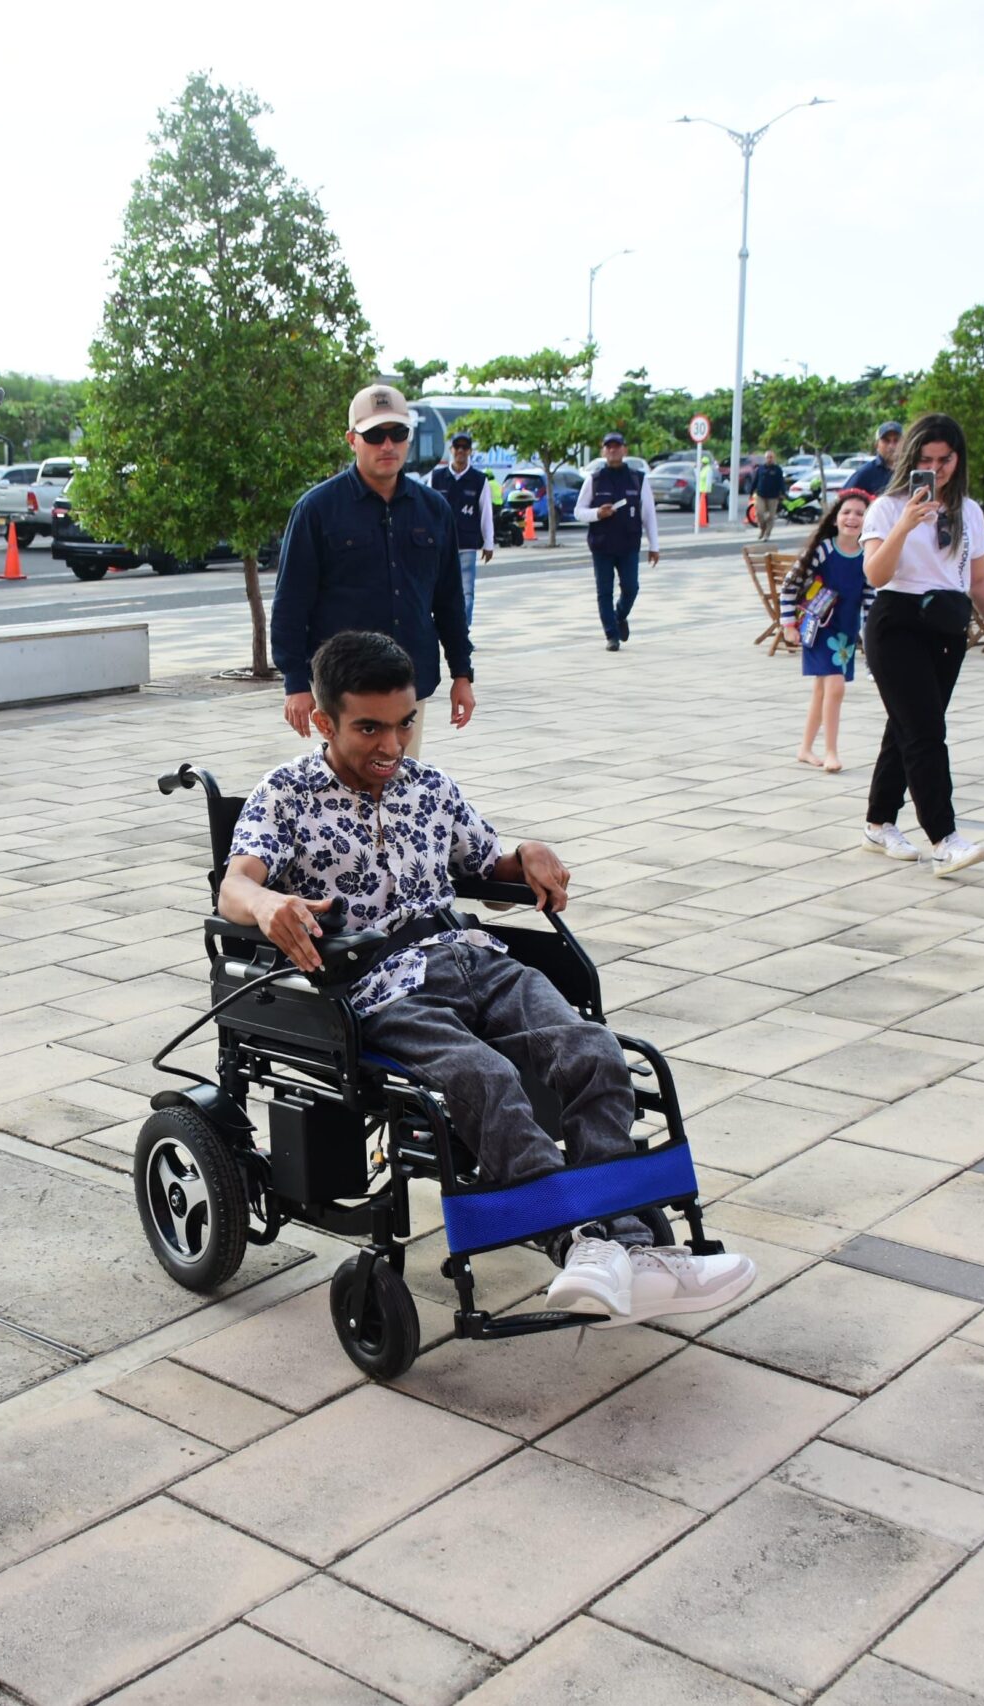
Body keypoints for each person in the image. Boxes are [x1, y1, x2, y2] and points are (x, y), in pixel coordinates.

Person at [223, 631, 756, 1325]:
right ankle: (584, 1244)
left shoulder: (429, 786)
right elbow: (235, 885)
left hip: (475, 956)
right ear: (323, 721)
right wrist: (266, 904)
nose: (392, 745)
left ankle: (627, 1246)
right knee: (486, 1079)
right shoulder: (286, 793)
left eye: (405, 722)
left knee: (594, 1051)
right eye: (369, 728)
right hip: (380, 984)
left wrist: (526, 854)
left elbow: (489, 866)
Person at [856, 414, 984, 876]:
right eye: (926, 459)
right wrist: (905, 525)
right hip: (897, 623)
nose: (937, 467)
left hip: (947, 625)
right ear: (912, 460)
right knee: (926, 731)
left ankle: (878, 822)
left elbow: (980, 579)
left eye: (944, 459)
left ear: (957, 458)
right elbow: (875, 574)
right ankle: (944, 838)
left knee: (908, 725)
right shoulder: (888, 508)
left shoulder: (969, 511)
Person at [272, 384, 475, 758]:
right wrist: (294, 683)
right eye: (375, 435)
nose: (388, 445)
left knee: (402, 789)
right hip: (343, 688)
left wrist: (462, 673)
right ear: (352, 439)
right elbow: (291, 603)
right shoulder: (317, 510)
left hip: (409, 685)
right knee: (348, 791)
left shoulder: (433, 510)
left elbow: (448, 601)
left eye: (398, 434)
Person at [780, 490, 873, 771]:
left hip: (845, 633)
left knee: (822, 691)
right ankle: (831, 751)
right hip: (818, 627)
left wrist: (872, 642)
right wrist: (787, 625)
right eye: (846, 512)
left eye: (860, 513)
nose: (852, 518)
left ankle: (805, 748)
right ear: (835, 518)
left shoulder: (869, 554)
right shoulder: (823, 550)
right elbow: (790, 585)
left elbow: (871, 600)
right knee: (835, 687)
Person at [573, 432, 658, 651]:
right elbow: (579, 511)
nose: (613, 450)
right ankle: (611, 635)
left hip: (629, 544)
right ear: (603, 451)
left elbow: (648, 514)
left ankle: (619, 616)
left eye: (617, 446)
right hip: (602, 545)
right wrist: (597, 514)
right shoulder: (595, 479)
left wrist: (654, 546)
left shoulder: (638, 479)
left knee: (631, 588)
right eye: (608, 447)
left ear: (624, 450)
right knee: (604, 591)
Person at [426, 431, 497, 623]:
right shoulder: (437, 477)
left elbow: (486, 514)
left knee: (466, 592)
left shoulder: (479, 480)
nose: (460, 451)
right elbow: (427, 511)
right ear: (451, 450)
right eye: (457, 447)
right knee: (437, 590)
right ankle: (440, 630)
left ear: (470, 452)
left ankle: (462, 633)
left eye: (465, 448)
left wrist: (488, 543)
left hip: (466, 543)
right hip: (440, 544)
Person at [844, 422, 902, 497]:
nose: (891, 446)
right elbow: (844, 499)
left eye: (896, 440)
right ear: (877, 445)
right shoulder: (865, 473)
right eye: (886, 441)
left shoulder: (912, 469)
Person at [751, 453, 787, 541]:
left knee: (771, 516)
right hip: (761, 495)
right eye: (768, 457)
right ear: (765, 458)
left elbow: (781, 482)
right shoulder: (760, 468)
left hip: (773, 496)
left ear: (774, 458)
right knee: (759, 513)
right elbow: (755, 481)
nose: (769, 459)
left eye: (771, 457)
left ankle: (767, 534)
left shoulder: (777, 469)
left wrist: (783, 493)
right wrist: (751, 492)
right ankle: (762, 529)